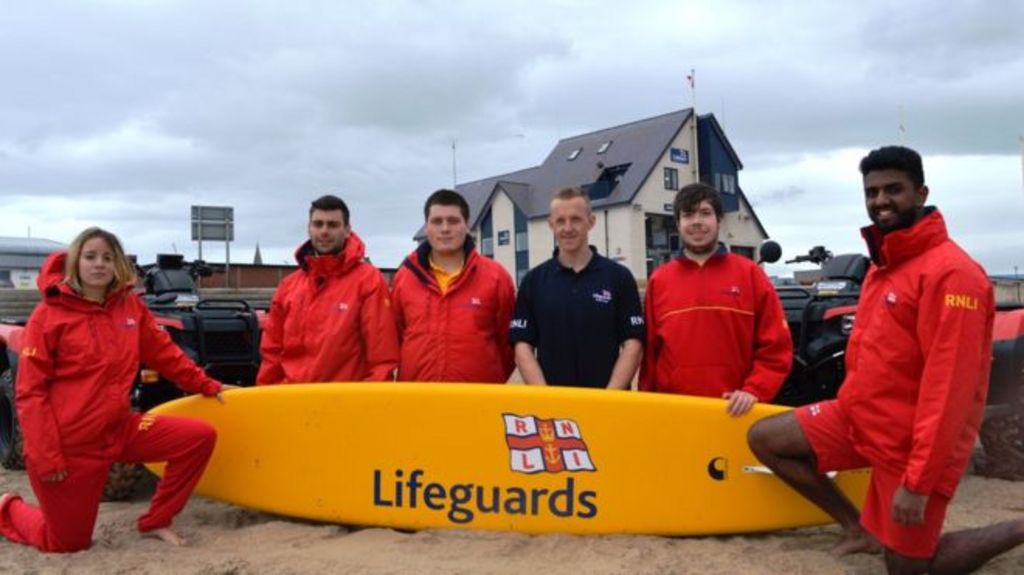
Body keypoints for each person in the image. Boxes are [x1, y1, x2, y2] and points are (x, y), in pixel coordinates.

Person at [747, 146, 1024, 574]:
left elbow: (949, 390)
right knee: (767, 439)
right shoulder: (885, 262)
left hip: (913, 445)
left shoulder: (954, 275)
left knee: (909, 568)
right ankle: (857, 528)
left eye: (894, 189)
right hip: (860, 418)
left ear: (921, 192)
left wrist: (918, 483)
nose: (880, 201)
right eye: (872, 192)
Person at [0, 227, 227, 552]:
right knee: (66, 543)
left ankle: (156, 520)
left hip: (118, 430)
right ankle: (7, 507)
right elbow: (30, 393)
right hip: (70, 446)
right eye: (90, 256)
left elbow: (165, 355)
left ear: (118, 264)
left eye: (108, 257)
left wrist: (206, 385)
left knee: (198, 438)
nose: (99, 264)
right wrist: (46, 456)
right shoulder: (47, 316)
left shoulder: (129, 309)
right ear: (76, 262)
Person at [639, 183, 792, 416]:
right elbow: (650, 356)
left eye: (705, 213)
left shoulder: (750, 274)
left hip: (735, 412)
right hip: (676, 413)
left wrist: (754, 390)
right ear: (678, 224)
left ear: (719, 219)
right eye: (688, 215)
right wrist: (647, 405)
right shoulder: (660, 280)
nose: (697, 222)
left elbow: (776, 347)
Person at [510, 186, 644, 389]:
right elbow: (522, 346)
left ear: (591, 222)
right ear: (551, 225)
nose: (568, 228)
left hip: (608, 403)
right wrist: (546, 397)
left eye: (576, 219)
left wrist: (609, 398)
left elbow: (633, 344)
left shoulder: (619, 277)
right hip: (553, 409)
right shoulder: (533, 281)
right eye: (560, 221)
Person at [257, 194, 399, 384]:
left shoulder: (368, 281)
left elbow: (382, 356)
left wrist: (370, 405)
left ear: (347, 230)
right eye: (318, 224)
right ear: (309, 229)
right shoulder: (289, 287)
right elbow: (272, 351)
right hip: (292, 399)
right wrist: (268, 397)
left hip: (344, 403)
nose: (324, 231)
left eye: (332, 225)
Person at [391, 190, 515, 383]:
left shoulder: (496, 277)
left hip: (477, 399)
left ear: (467, 225)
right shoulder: (404, 277)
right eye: (437, 221)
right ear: (427, 227)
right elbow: (395, 337)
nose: (445, 228)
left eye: (453, 221)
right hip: (418, 398)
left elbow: (508, 346)